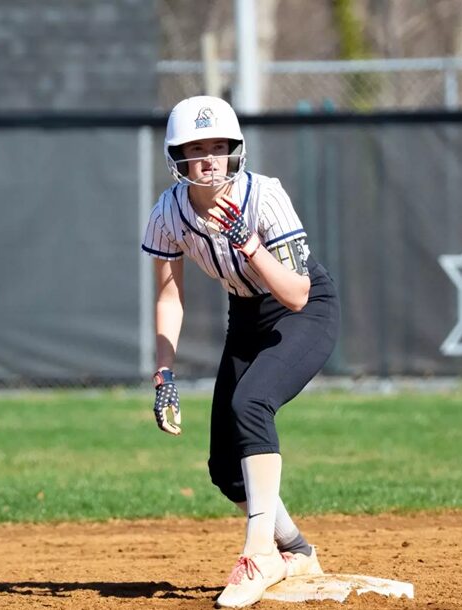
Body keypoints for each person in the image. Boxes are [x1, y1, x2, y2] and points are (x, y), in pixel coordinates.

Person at [141, 95, 340, 608]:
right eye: (195, 149)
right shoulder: (169, 211)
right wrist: (164, 374)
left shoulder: (264, 197)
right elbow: (169, 295)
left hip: (302, 309)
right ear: (176, 158)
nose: (208, 159)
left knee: (250, 403)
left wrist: (250, 245)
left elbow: (295, 293)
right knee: (226, 469)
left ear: (235, 151)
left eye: (218, 147)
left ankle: (260, 553)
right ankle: (296, 549)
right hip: (246, 316)